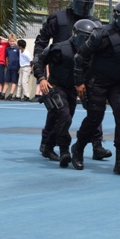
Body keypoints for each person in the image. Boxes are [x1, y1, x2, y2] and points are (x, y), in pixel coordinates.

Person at [33, 0, 110, 159]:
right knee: (58, 111)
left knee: (95, 108)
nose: (85, 7)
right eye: (82, 3)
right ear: (74, 1)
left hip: (86, 73)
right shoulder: (58, 18)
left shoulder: (96, 23)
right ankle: (47, 143)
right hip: (61, 71)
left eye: (88, 4)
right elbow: (41, 42)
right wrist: (41, 72)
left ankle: (97, 145)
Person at [71, 2, 120, 174]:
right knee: (95, 118)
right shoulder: (101, 35)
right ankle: (78, 148)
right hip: (98, 82)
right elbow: (80, 57)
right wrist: (79, 82)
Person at [35, 19, 98, 167]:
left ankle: (48, 146)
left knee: (63, 121)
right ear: (76, 35)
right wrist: (42, 79)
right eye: (85, 38)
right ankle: (64, 151)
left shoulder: (90, 54)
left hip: (72, 90)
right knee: (65, 118)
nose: (88, 42)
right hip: (56, 86)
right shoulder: (59, 48)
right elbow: (39, 61)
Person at [3, 34, 20, 100]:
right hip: (9, 67)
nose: (12, 42)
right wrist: (7, 65)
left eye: (13, 41)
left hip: (16, 67)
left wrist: (19, 67)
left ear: (15, 41)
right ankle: (3, 94)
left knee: (14, 81)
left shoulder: (18, 49)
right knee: (7, 80)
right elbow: (7, 57)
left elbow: (20, 58)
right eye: (10, 41)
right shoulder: (7, 49)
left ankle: (11, 94)